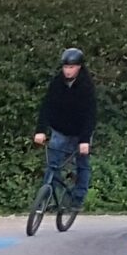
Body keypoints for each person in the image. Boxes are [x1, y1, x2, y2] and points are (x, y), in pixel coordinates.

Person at [34, 48, 95, 204]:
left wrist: (85, 140)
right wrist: (40, 130)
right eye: (66, 67)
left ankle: (77, 199)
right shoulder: (57, 82)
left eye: (71, 67)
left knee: (82, 166)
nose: (68, 71)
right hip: (60, 130)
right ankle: (48, 199)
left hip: (80, 133)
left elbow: (90, 115)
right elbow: (47, 106)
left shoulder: (86, 86)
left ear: (79, 67)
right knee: (53, 165)